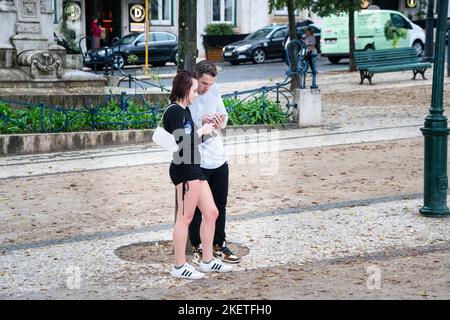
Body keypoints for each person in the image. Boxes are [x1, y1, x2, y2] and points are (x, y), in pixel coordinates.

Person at [163, 70, 233, 280]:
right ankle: (179, 266)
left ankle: (208, 261)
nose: (196, 94)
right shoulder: (174, 112)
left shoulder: (184, 112)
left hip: (194, 167)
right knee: (185, 218)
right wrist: (201, 131)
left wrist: (208, 130)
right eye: (194, 90)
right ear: (184, 89)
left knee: (211, 212)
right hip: (184, 170)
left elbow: (191, 143)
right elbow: (181, 144)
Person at [188, 60, 242, 265]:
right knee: (195, 208)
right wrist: (200, 123)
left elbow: (224, 115)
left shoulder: (214, 89)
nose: (207, 88)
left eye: (210, 84)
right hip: (196, 159)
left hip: (218, 157)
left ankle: (219, 244)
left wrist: (220, 122)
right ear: (196, 78)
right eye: (204, 84)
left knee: (220, 204)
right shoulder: (188, 94)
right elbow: (181, 131)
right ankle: (198, 246)